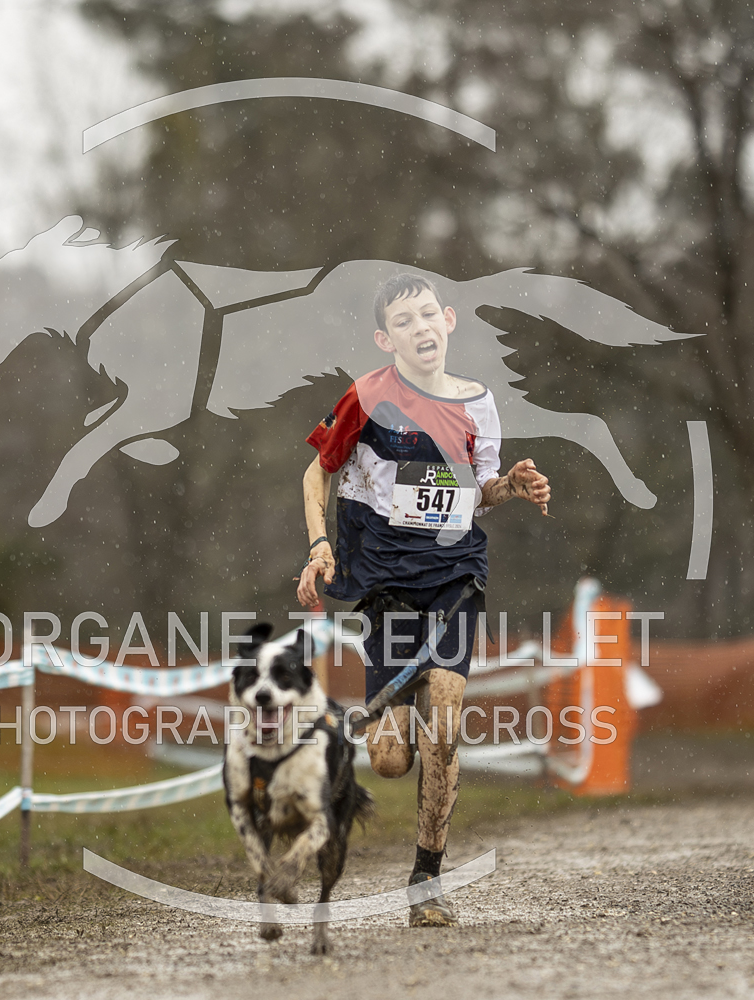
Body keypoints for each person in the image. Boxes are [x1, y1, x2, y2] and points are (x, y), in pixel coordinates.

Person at [296, 272, 551, 927]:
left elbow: (479, 492)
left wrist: (511, 485)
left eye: (428, 315)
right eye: (403, 322)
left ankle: (426, 880)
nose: (421, 328)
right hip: (384, 579)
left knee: (444, 721)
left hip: (452, 572)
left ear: (449, 319)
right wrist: (320, 545)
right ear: (386, 339)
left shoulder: (479, 403)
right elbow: (317, 472)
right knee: (389, 760)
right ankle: (399, 701)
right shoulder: (366, 396)